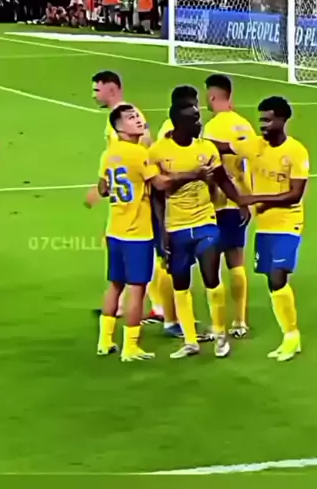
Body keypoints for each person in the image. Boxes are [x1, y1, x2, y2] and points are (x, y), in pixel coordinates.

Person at [214, 96, 309, 363]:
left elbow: (294, 194)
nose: (264, 125)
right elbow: (222, 147)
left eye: (268, 120)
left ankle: (291, 336)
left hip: (288, 222)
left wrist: (254, 199)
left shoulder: (296, 152)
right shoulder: (254, 145)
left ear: (283, 120)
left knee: (278, 276)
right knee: (271, 280)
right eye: (261, 120)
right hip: (265, 225)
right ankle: (289, 336)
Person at [147, 101, 243, 359]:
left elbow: (222, 178)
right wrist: (163, 232)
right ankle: (190, 341)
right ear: (178, 122)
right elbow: (158, 193)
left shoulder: (206, 148)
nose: (199, 123)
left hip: (205, 221)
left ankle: (220, 336)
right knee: (181, 283)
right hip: (176, 226)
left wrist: (241, 202)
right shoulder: (158, 152)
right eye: (193, 119)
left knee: (212, 276)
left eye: (199, 117)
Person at [96, 104, 170, 362]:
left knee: (115, 285)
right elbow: (159, 183)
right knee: (136, 288)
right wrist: (192, 174)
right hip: (137, 233)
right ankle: (130, 347)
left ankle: (105, 341)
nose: (138, 119)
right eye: (131, 118)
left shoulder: (108, 154)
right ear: (119, 127)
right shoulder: (140, 154)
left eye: (137, 115)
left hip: (114, 230)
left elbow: (103, 188)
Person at [203, 74, 256, 337]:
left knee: (212, 265)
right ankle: (240, 321)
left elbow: (211, 168)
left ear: (212, 96)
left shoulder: (212, 128)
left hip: (219, 202)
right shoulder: (246, 125)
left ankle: (218, 326)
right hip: (242, 201)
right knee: (236, 261)